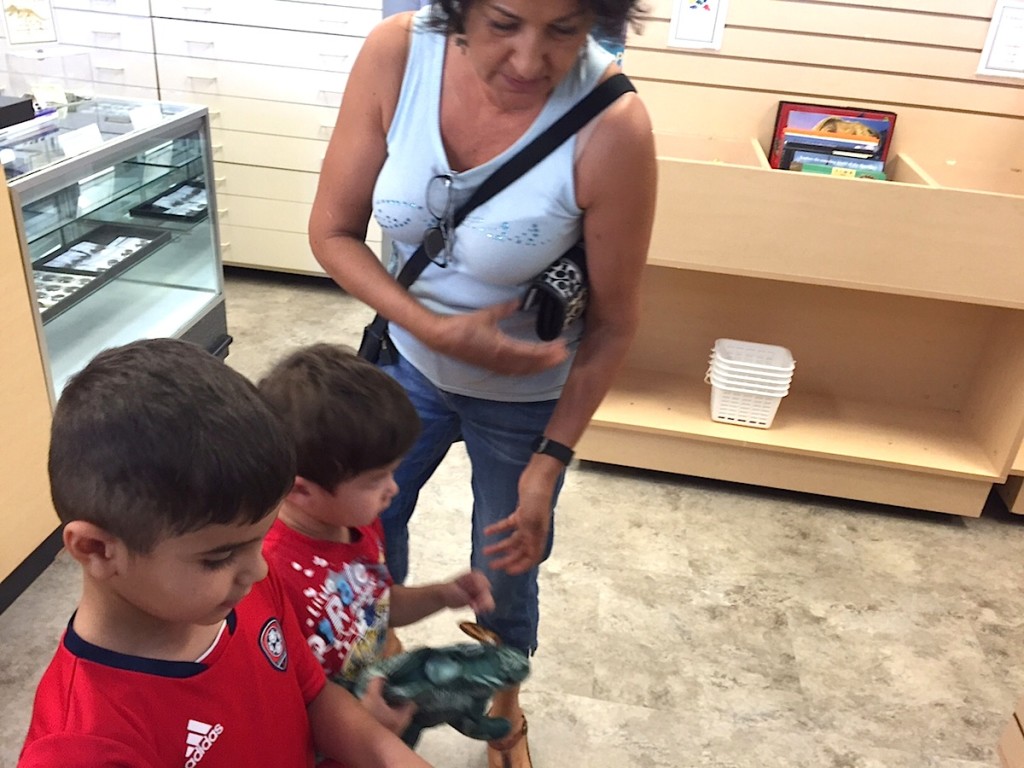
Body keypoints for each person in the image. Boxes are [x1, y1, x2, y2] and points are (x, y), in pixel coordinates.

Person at [308, 2, 657, 765]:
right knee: (365, 535)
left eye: (565, 30)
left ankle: (507, 706)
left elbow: (615, 322)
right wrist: (428, 327)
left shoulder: (614, 126)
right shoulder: (397, 57)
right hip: (405, 368)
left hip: (528, 400)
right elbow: (332, 232)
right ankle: (381, 674)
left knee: (508, 560)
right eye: (503, 22)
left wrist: (550, 462)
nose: (529, 60)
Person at [18, 338, 431, 768]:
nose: (256, 569)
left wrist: (388, 756)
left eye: (262, 537)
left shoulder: (244, 584)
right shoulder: (82, 745)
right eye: (218, 557)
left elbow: (313, 694)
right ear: (97, 550)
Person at [257, 342, 496, 738]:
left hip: (379, 710)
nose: (393, 490)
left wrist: (441, 595)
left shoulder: (358, 523)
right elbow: (274, 700)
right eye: (375, 480)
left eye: (392, 472)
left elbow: (376, 608)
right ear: (300, 490)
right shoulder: (268, 573)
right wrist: (357, 726)